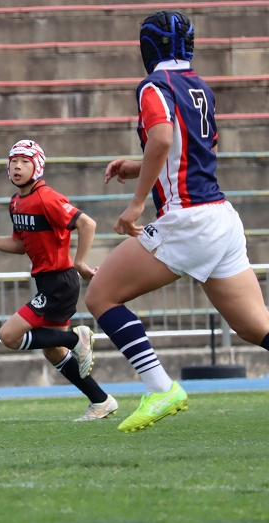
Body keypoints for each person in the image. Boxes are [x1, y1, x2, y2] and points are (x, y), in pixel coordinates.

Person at [84, 11, 269, 433]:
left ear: (147, 46)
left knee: (101, 296)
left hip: (188, 220)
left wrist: (136, 204)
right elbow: (192, 150)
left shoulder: (154, 85)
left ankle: (161, 388)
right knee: (255, 326)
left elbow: (163, 138)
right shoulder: (200, 86)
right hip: (221, 217)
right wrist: (137, 167)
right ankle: (162, 388)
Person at [0, 140, 118, 421]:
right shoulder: (17, 202)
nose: (17, 166)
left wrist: (80, 263)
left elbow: (87, 223)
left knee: (8, 336)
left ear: (37, 167)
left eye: (25, 161)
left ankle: (76, 338)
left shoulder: (46, 197)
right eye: (13, 161)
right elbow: (19, 244)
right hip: (49, 282)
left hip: (59, 282)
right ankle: (100, 400)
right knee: (53, 350)